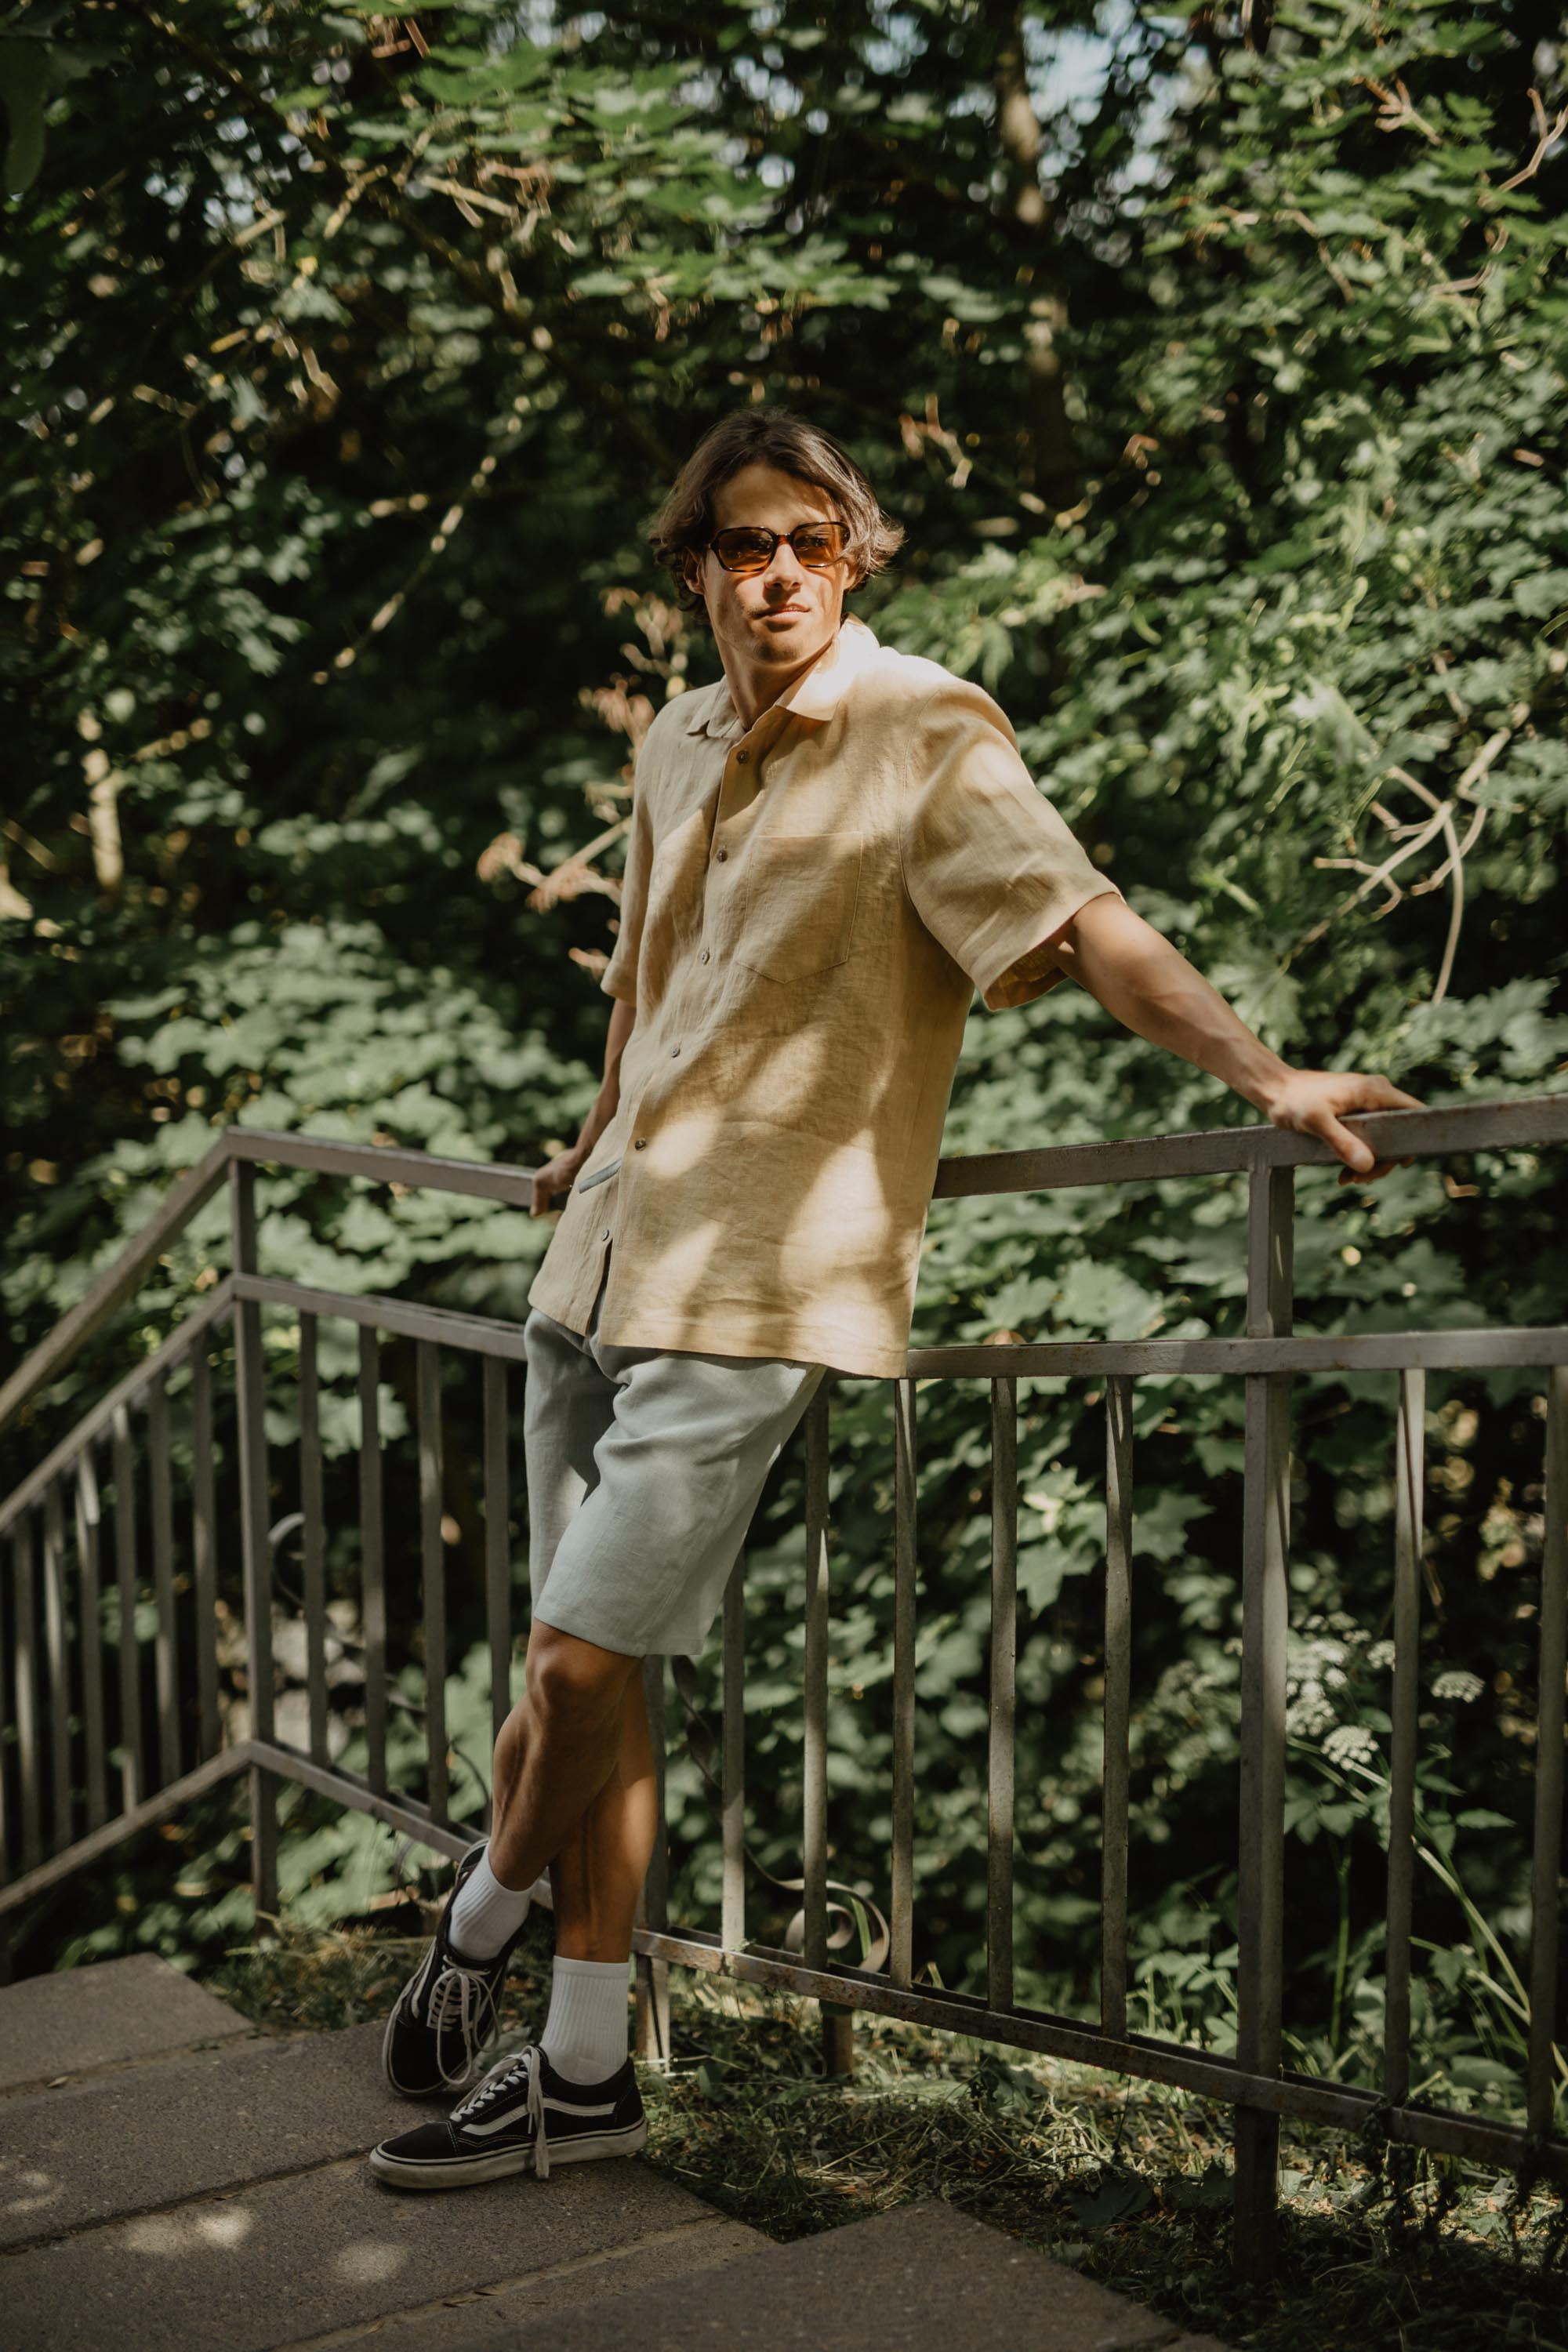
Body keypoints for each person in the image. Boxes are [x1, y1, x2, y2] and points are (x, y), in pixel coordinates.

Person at [367, 407, 1418, 2191]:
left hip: (761, 1271)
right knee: (595, 1691)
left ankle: (474, 1928)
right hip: (606, 1244)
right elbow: (647, 969)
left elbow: (1081, 920)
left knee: (572, 1659)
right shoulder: (675, 741)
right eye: (739, 545)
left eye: (807, 543)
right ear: (694, 569)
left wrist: (1266, 1080)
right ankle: (585, 2065)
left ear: (849, 557)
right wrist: (587, 1130)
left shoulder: (923, 729)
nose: (774, 573)